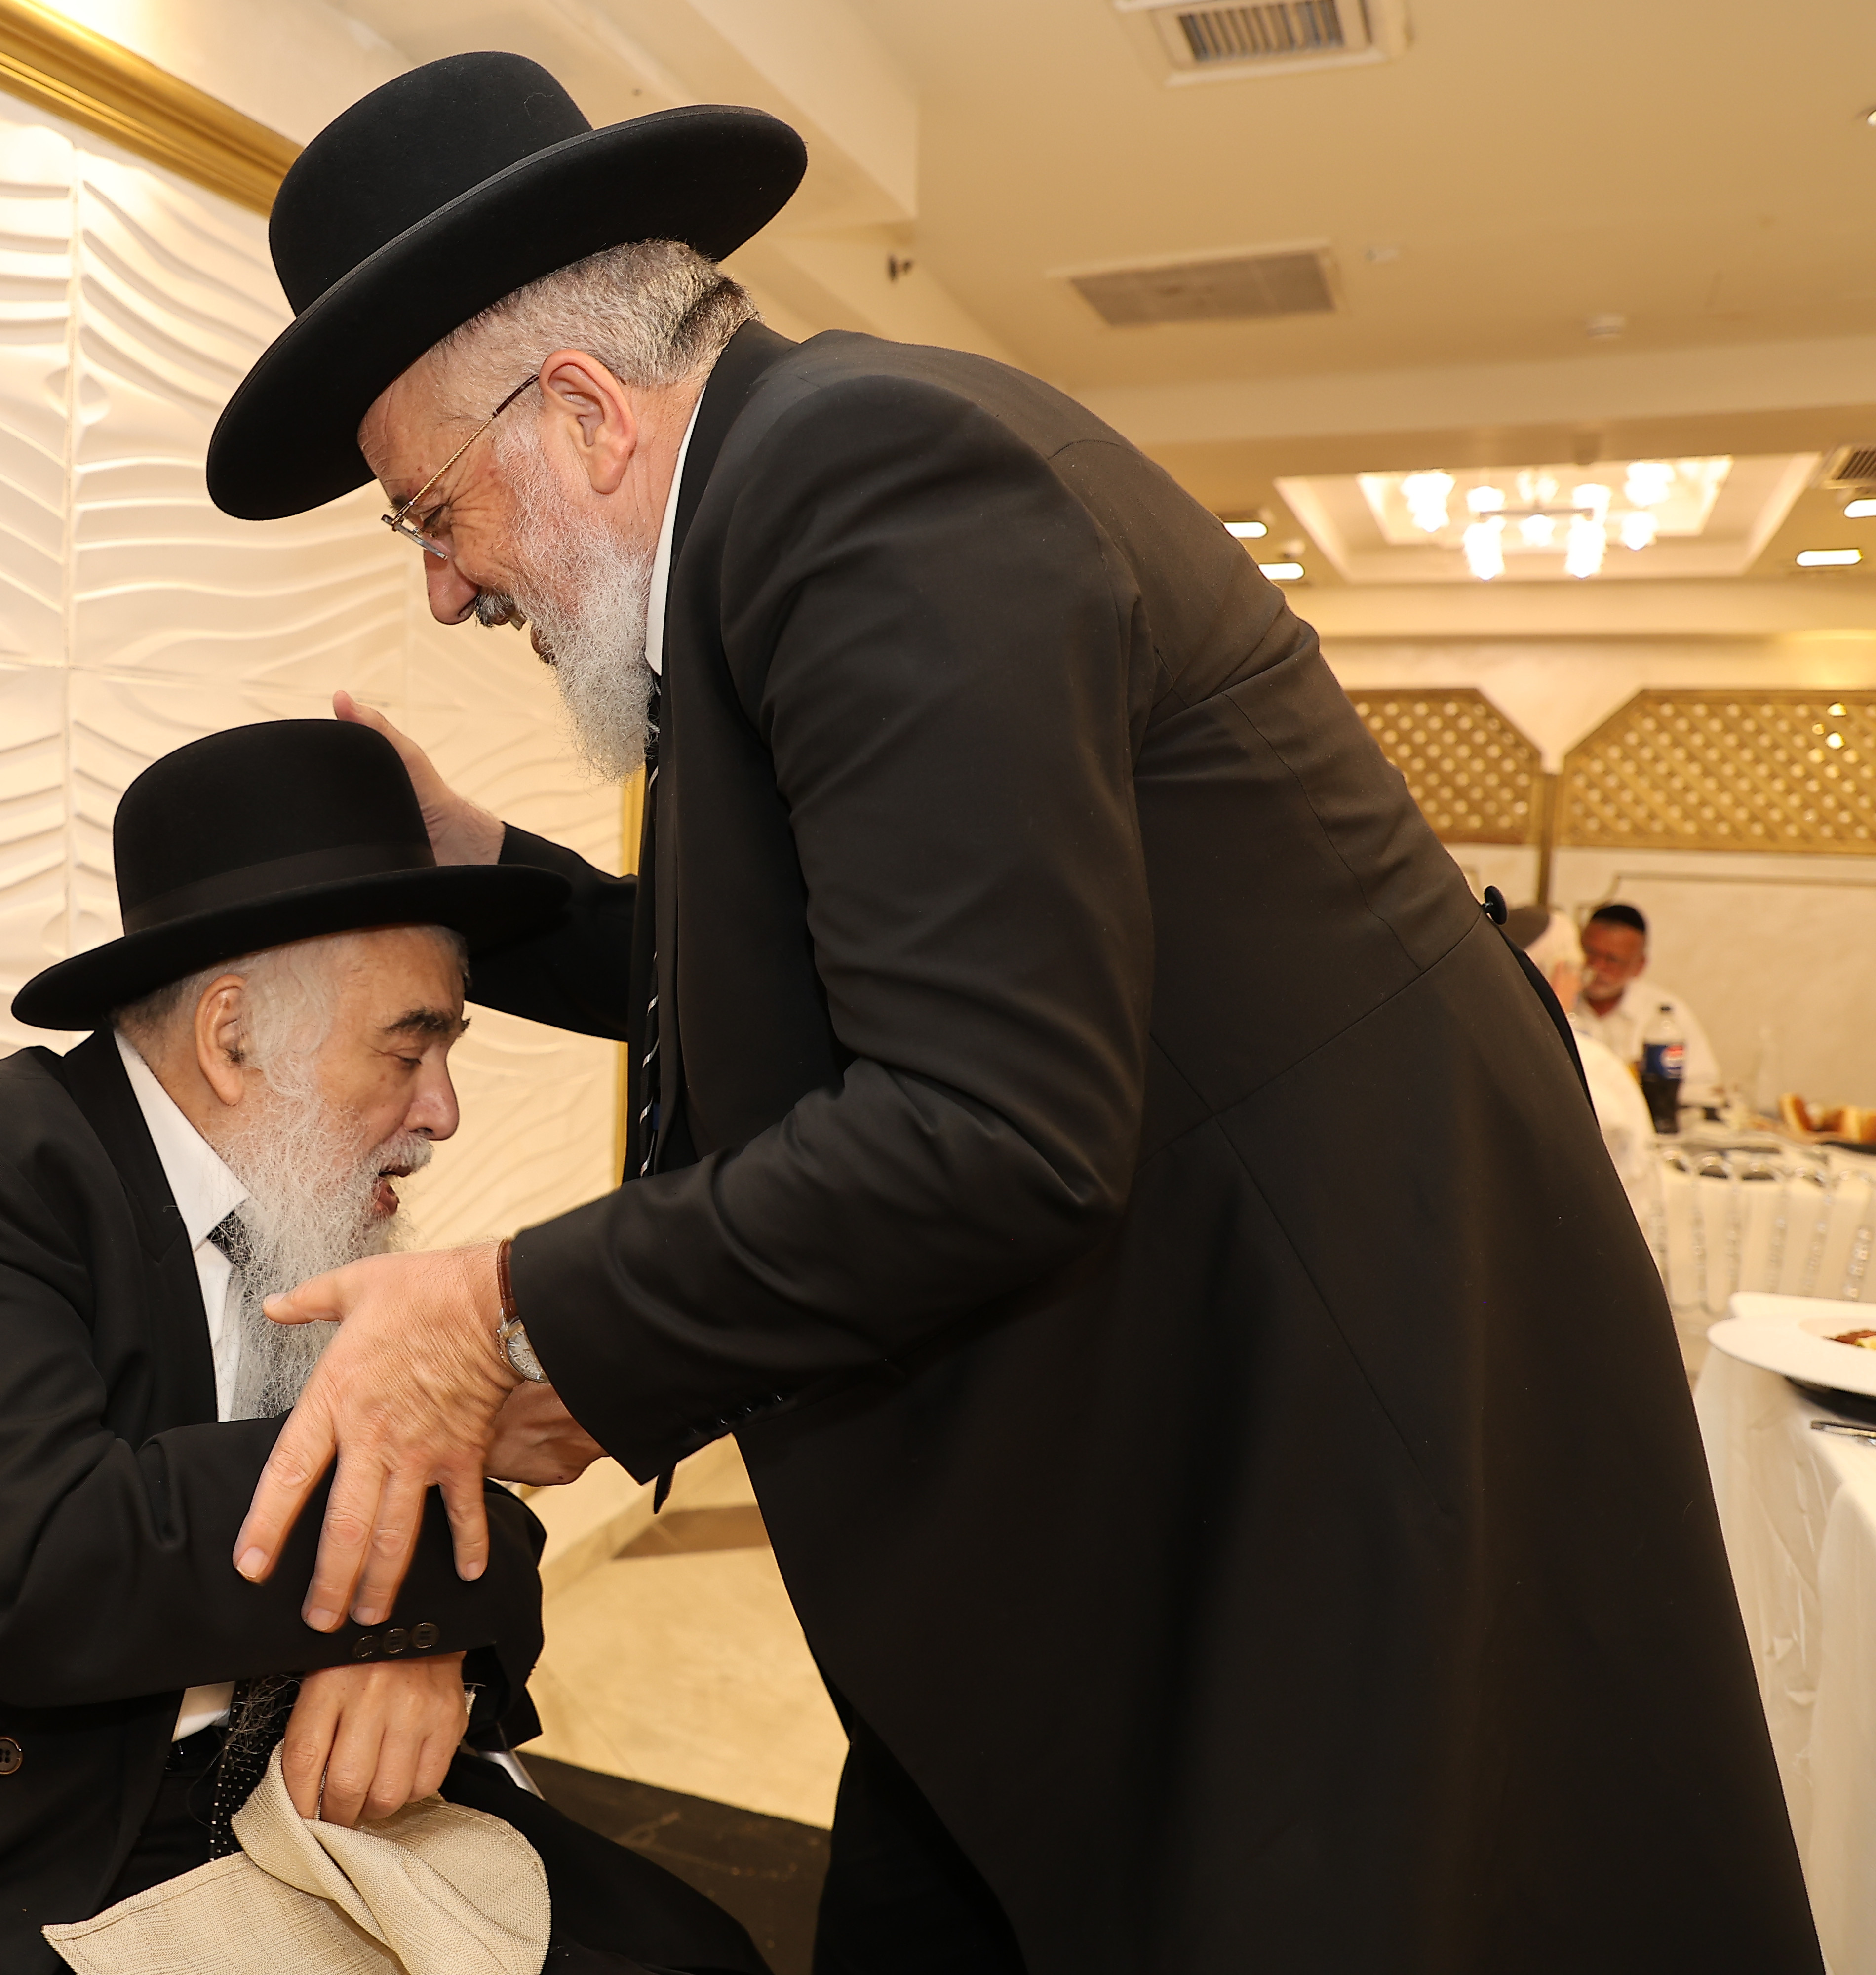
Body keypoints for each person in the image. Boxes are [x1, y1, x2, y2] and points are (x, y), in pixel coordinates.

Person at [196, 53, 1818, 1974]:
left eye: (430, 513)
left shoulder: (865, 489)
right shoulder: (780, 506)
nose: (448, 590)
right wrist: (480, 873)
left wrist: (499, 1306)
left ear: (583, 414)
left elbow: (990, 1121)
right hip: (1175, 1419)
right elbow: (805, 978)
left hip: (1309, 1427)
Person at [0, 721, 766, 1975]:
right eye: (407, 1049)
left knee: (701, 1953)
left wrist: (422, 1630)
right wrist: (424, 1494)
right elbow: (48, 1569)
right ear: (234, 1037)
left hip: (260, 1803)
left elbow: (472, 1530)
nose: (443, 1111)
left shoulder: (301, 1202)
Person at [1508, 905, 1664, 1251]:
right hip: (1579, 1247)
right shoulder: (1587, 1063)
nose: (1582, 982)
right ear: (1556, 974)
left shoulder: (1463, 1041)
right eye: (1579, 968)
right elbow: (1636, 1181)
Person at [1577, 901, 1726, 1110]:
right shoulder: (1558, 1001)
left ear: (1639, 966)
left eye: (1612, 960)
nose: (1597, 967)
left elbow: (1705, 1088)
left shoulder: (1665, 1014)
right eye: (1589, 953)